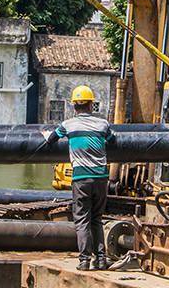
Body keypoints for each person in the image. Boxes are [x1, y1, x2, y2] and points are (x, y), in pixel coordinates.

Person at [45, 86, 116, 269]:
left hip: (81, 178)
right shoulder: (103, 124)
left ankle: (84, 261)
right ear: (91, 105)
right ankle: (101, 259)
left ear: (74, 106)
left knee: (82, 220)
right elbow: (113, 140)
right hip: (101, 177)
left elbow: (51, 139)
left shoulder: (68, 125)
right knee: (97, 218)